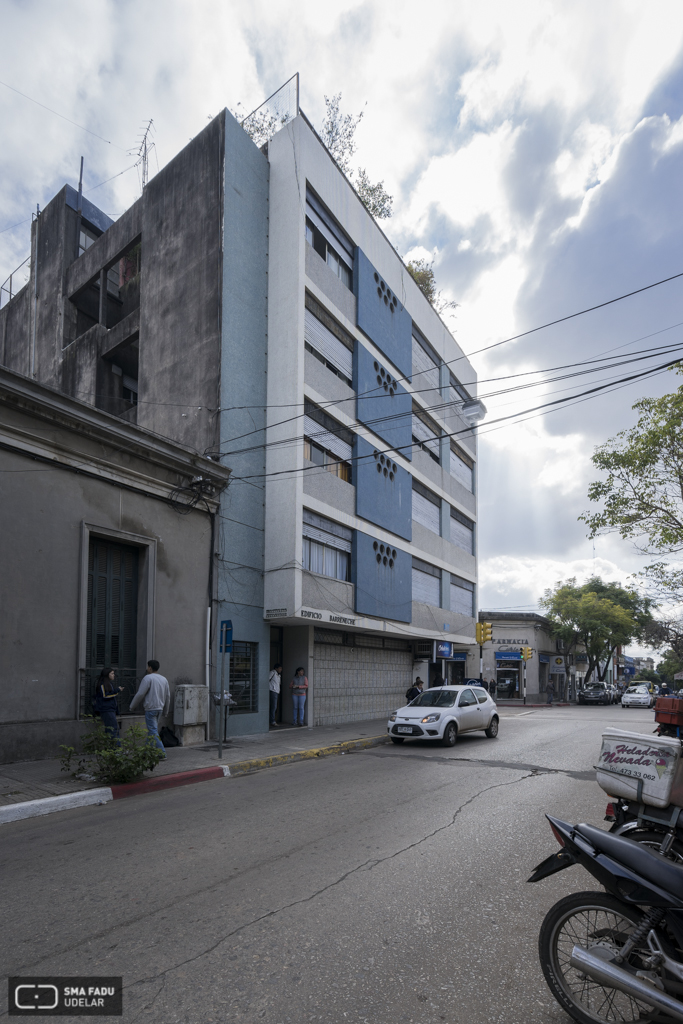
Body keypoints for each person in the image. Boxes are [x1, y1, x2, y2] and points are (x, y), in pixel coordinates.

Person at [129, 659, 170, 754]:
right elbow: (168, 696)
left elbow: (140, 694)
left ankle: (162, 753)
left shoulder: (148, 678)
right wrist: (166, 711)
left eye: (148, 667)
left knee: (152, 731)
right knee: (152, 731)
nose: (147, 669)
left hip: (151, 708)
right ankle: (146, 752)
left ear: (150, 668)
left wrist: (132, 706)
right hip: (160, 708)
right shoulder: (164, 679)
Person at [93, 668, 124, 739]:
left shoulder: (109, 683)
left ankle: (110, 747)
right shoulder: (102, 684)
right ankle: (115, 748)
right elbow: (105, 695)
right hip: (106, 709)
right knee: (113, 729)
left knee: (111, 729)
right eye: (112, 673)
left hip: (110, 709)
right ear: (107, 675)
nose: (114, 675)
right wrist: (117, 690)